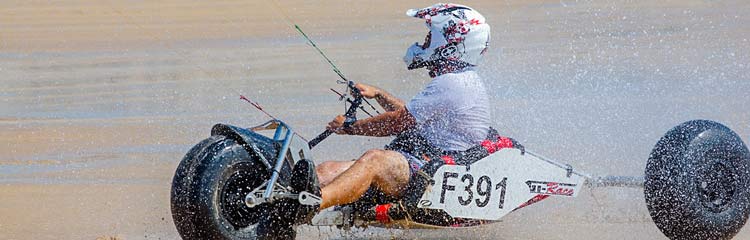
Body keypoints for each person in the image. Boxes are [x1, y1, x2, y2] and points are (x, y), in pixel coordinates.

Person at [257, 3, 492, 238]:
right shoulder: (459, 81)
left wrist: (348, 128)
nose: (425, 41)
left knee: (374, 160)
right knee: (326, 170)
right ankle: (270, 209)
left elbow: (398, 123)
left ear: (450, 42)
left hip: (433, 172)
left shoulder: (452, 83)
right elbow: (411, 114)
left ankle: (306, 206)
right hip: (421, 162)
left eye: (431, 37)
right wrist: (379, 94)